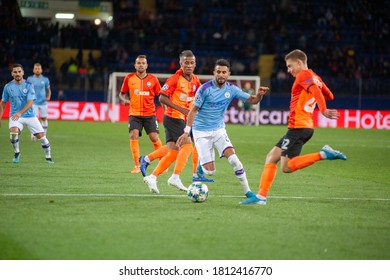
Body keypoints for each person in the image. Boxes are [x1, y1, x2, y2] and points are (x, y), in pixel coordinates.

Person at [240, 49, 347, 205]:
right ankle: (261, 196)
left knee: (287, 166)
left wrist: (322, 109)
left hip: (298, 127)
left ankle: (324, 154)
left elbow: (317, 91)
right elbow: (329, 95)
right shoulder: (315, 77)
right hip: (303, 127)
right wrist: (316, 90)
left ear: (299, 62)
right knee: (272, 156)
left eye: (290, 66)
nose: (289, 70)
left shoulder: (303, 75)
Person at [176, 59, 269, 198]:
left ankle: (248, 192)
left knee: (234, 160)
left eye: (224, 72)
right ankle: (202, 165)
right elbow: (193, 110)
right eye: (218, 72)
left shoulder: (232, 89)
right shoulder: (204, 89)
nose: (221, 74)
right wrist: (186, 132)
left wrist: (259, 95)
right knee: (210, 172)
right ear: (214, 73)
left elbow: (253, 100)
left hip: (219, 130)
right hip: (201, 131)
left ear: (228, 74)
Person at [142, 50, 204, 194]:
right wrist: (181, 109)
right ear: (180, 63)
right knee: (188, 146)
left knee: (173, 152)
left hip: (180, 118)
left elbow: (199, 98)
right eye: (186, 63)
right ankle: (175, 177)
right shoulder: (174, 79)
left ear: (195, 64)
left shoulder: (195, 80)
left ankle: (152, 176)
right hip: (173, 117)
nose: (189, 65)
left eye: (192, 63)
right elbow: (162, 98)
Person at [0, 63, 54, 164]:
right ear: (12, 73)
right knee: (13, 133)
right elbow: (3, 103)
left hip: (30, 116)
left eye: (19, 72)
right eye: (15, 72)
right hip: (15, 116)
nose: (17, 74)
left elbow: (30, 103)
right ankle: (17, 153)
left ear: (23, 73)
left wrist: (20, 113)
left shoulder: (29, 85)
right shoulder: (8, 87)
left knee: (42, 138)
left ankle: (48, 157)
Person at [118, 55, 163, 173]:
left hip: (150, 114)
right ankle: (137, 165)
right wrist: (124, 100)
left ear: (147, 65)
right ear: (135, 65)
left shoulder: (153, 79)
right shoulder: (129, 78)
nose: (141, 65)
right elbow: (121, 94)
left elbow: (161, 95)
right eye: (139, 63)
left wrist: (165, 108)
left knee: (154, 137)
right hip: (134, 113)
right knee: (133, 135)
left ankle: (163, 163)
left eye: (143, 63)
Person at [27, 63, 51, 141]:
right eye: (36, 68)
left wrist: (48, 96)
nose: (37, 70)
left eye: (39, 69)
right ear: (33, 70)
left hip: (43, 102)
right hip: (33, 102)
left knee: (44, 118)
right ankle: (33, 134)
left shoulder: (45, 79)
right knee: (34, 118)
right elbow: (26, 90)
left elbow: (48, 90)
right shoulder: (29, 79)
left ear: (41, 70)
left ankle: (44, 134)